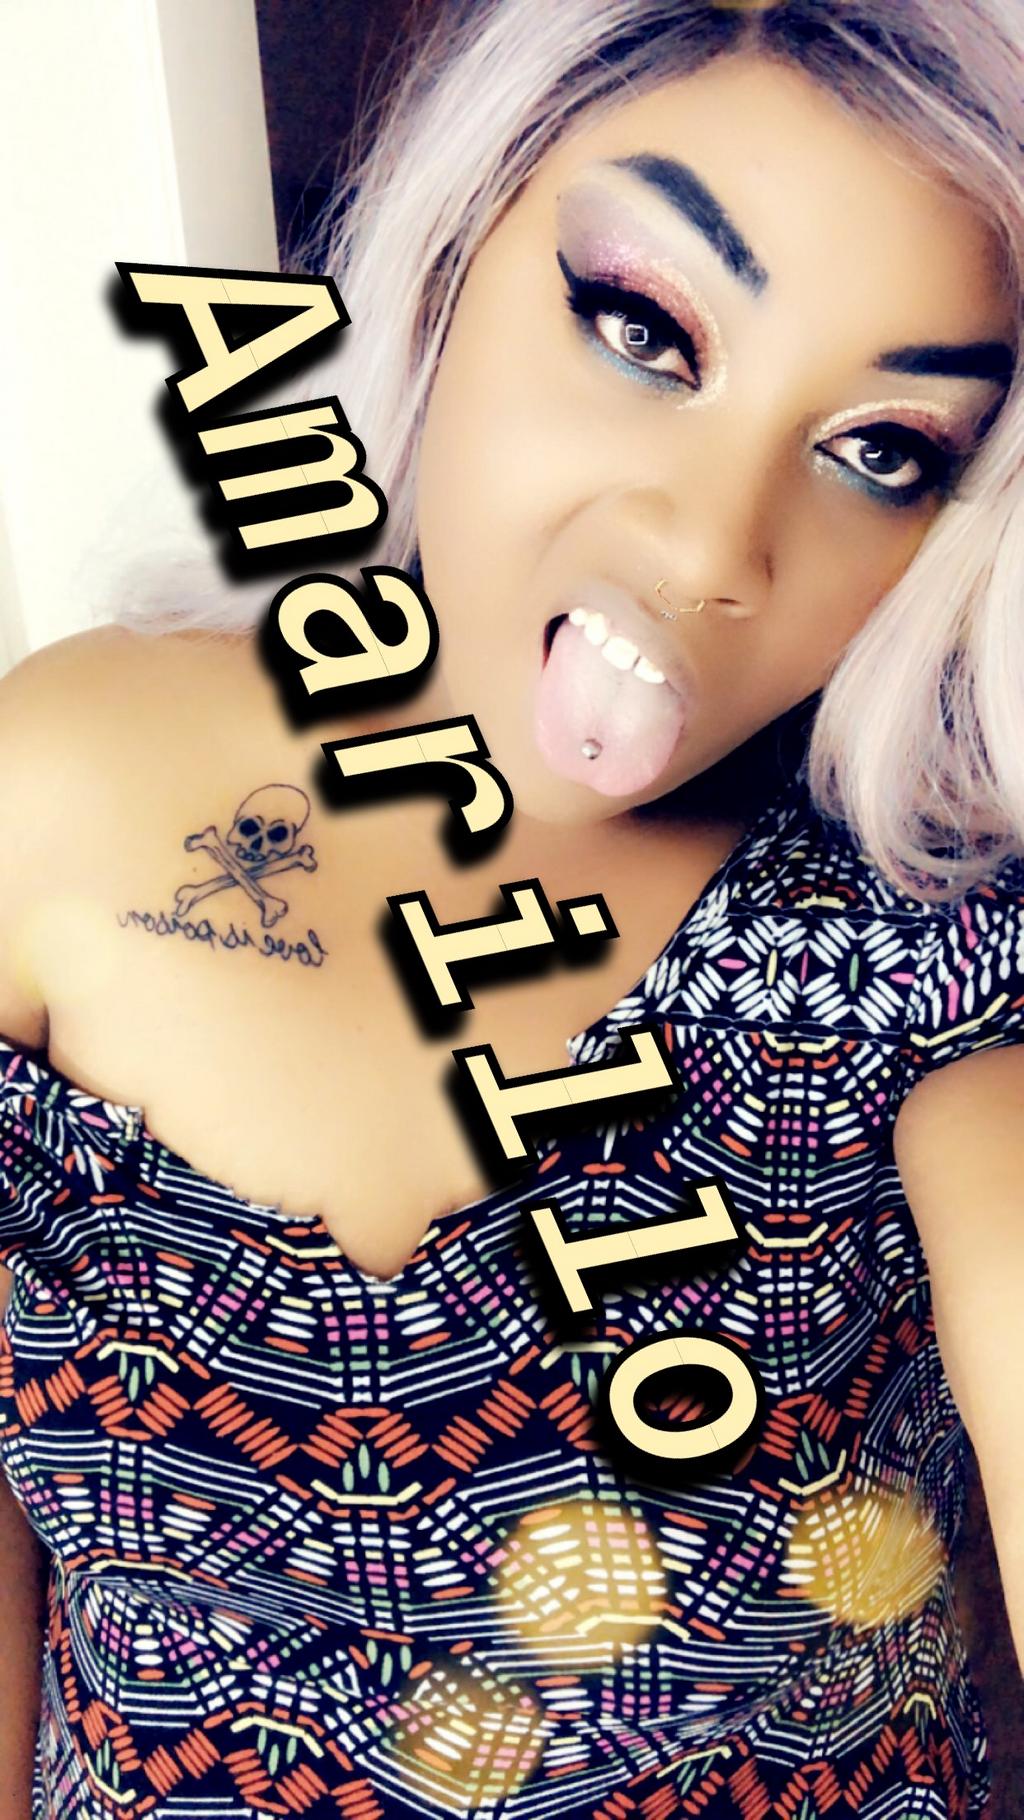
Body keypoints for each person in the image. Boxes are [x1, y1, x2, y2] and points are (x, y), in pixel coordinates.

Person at [0, 1, 1022, 1814]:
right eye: (644, 330)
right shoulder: (61, 785)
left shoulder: (921, 947)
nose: (711, 550)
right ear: (459, 247)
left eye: (883, 450)